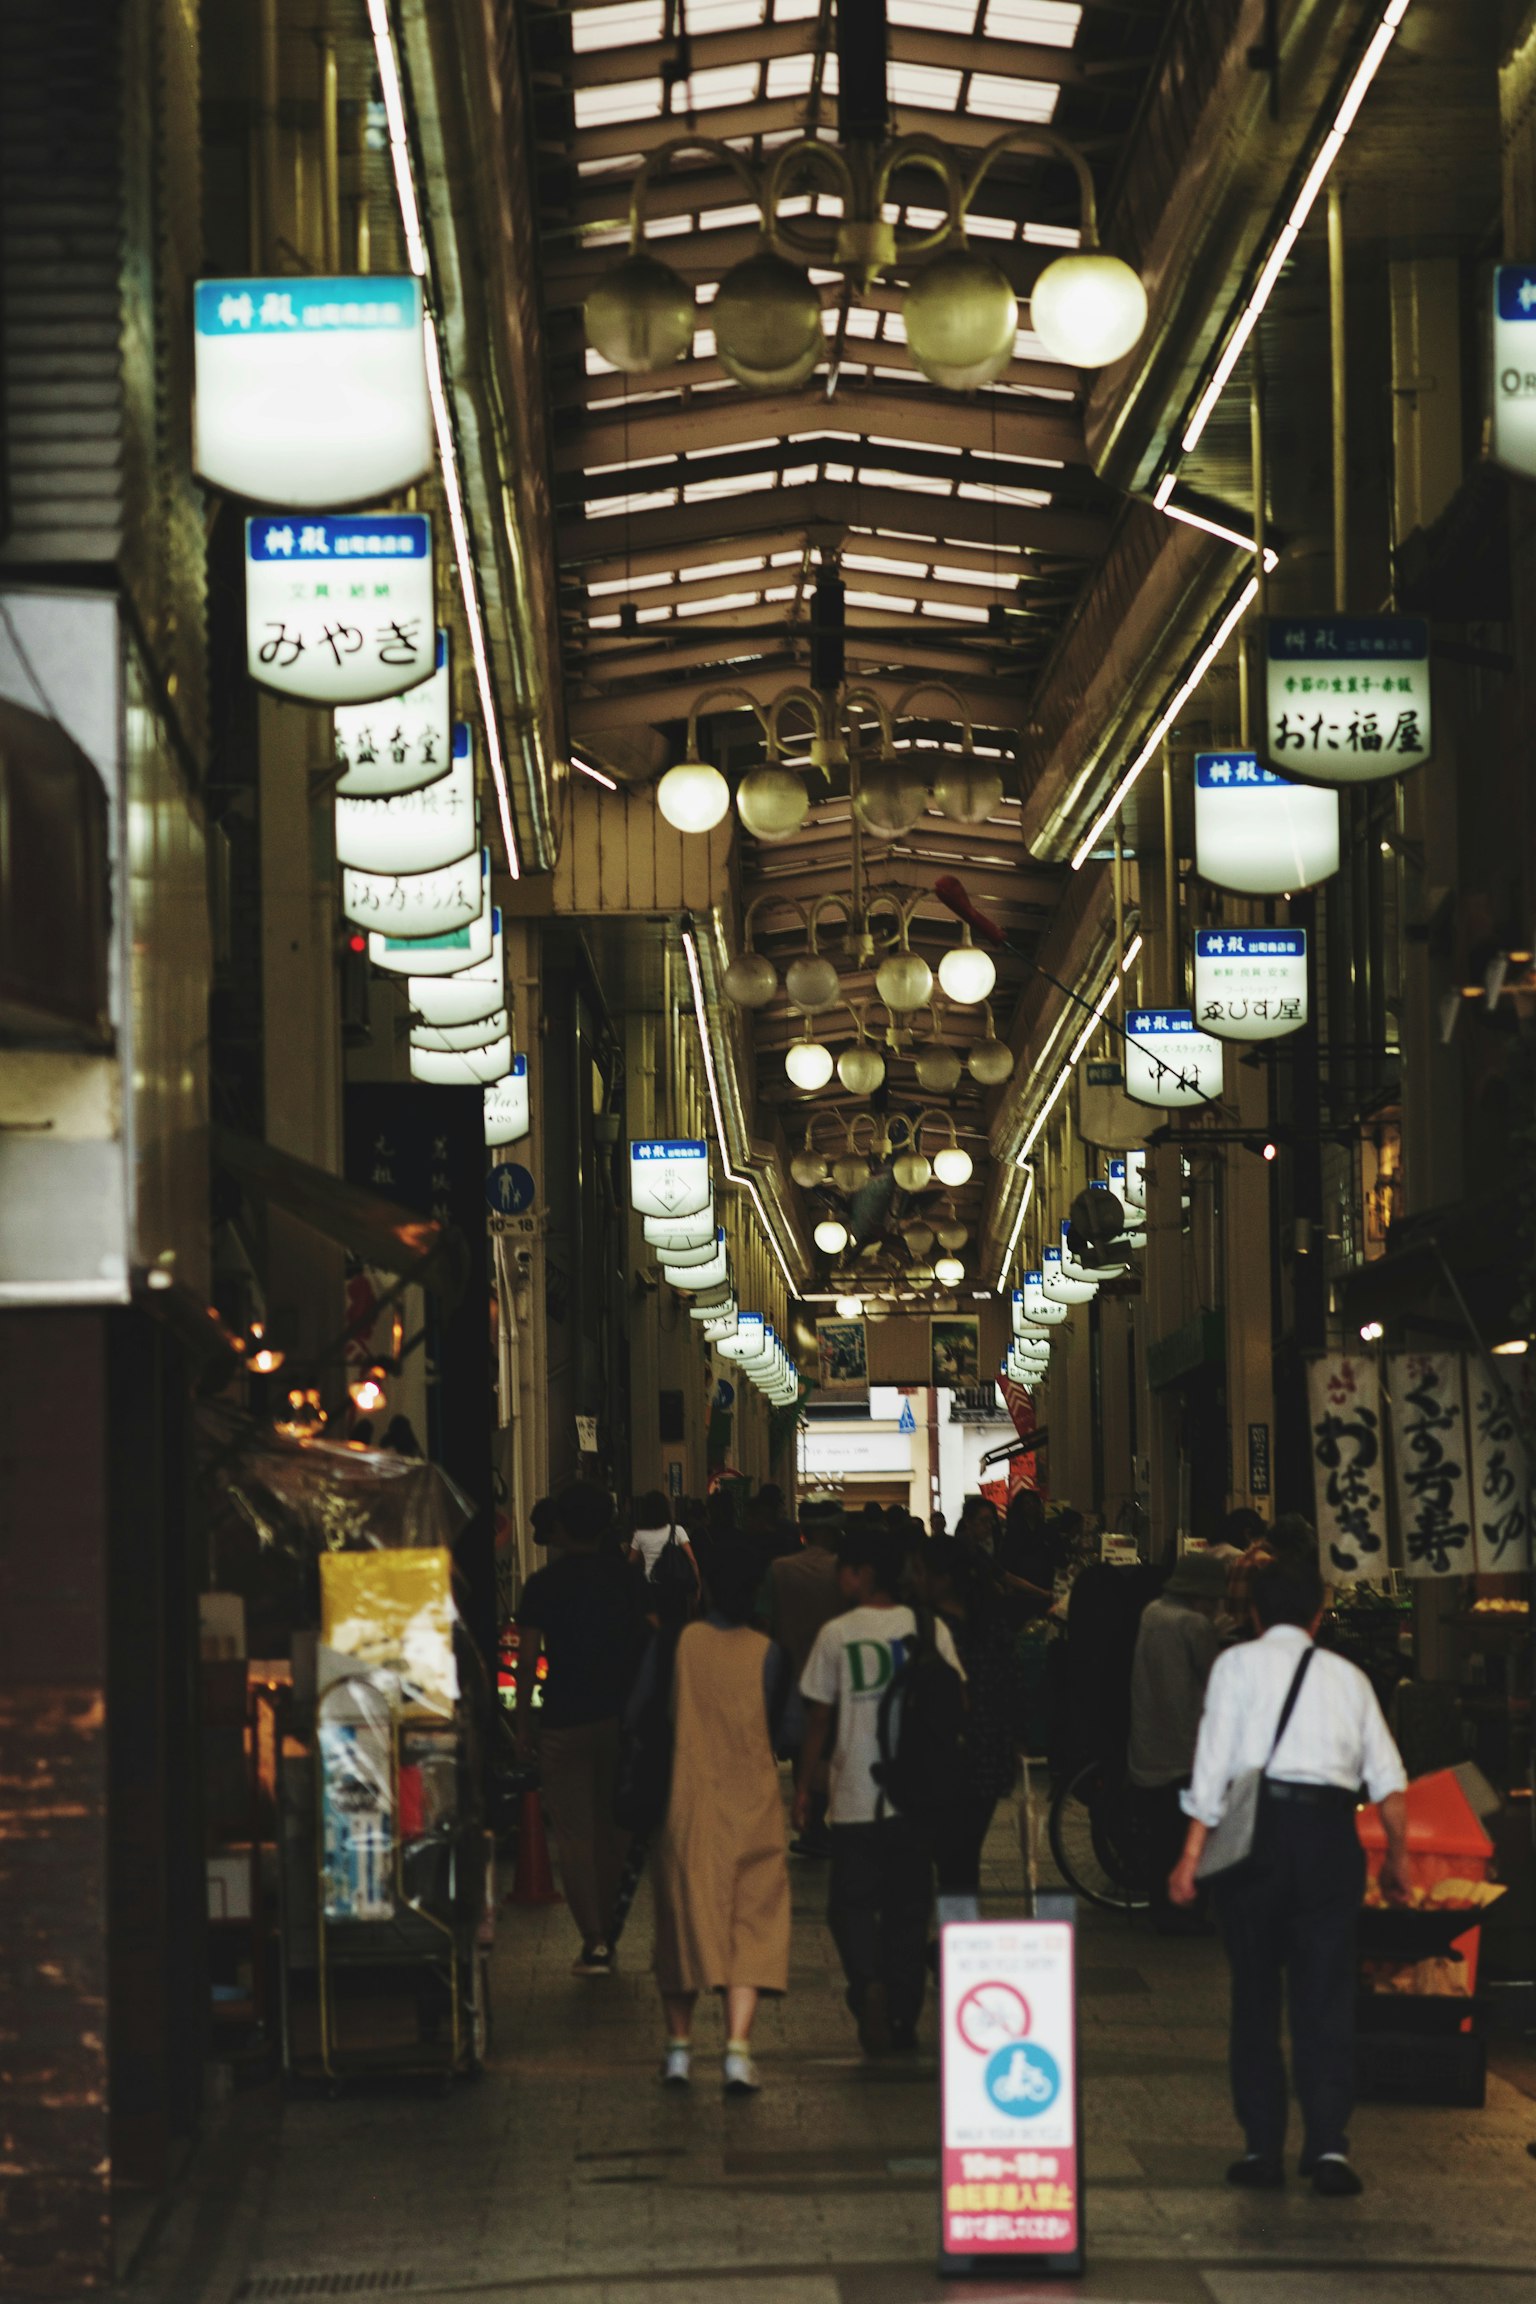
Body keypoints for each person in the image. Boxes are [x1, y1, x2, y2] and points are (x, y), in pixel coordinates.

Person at [1169, 1547, 1411, 2197]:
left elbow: (1213, 1769)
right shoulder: (1348, 1678)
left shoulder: (1235, 1667)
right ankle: (1329, 2146)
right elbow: (1388, 1780)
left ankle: (1261, 2148)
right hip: (1329, 1838)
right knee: (1326, 1995)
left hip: (1257, 1842)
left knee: (1253, 1994)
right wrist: (1397, 1857)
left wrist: (1191, 1856)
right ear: (1320, 1611)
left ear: (1252, 1611)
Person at [795, 1523, 963, 2054]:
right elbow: (959, 1702)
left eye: (844, 1568)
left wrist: (804, 1788)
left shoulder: (837, 1634)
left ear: (863, 1574)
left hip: (853, 1796)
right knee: (908, 1910)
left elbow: (818, 1720)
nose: (838, 1579)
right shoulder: (928, 1626)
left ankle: (867, 1982)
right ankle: (902, 2016)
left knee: (849, 1906)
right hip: (915, 1797)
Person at [650, 1546, 792, 2095]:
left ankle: (680, 2052)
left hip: (690, 1806)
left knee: (683, 1927)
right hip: (754, 1806)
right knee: (751, 1929)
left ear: (704, 1587)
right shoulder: (769, 1653)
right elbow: (789, 1729)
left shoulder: (680, 1644)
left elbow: (646, 1713)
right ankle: (737, 2052)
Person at [513, 1481, 644, 1977]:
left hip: (564, 1718)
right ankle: (609, 1926)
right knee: (614, 1830)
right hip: (620, 1718)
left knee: (573, 1835)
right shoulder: (627, 1579)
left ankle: (594, 1940)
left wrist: (523, 1722)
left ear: (562, 1527)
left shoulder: (543, 1585)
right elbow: (645, 1645)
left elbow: (527, 1661)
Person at [1128, 1549, 1227, 1932]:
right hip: (1187, 1745)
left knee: (1160, 1837)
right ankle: (1186, 1912)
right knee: (1188, 1836)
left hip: (1150, 1741)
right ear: (1201, 1594)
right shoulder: (1193, 1625)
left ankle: (1161, 1908)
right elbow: (1214, 1675)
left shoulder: (1152, 1612)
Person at [917, 1538, 1022, 1897]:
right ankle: (955, 1937)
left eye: (921, 1572)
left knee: (949, 1859)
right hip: (989, 1753)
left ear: (943, 1578)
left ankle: (954, 1939)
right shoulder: (992, 1623)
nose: (914, 1581)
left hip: (947, 1756)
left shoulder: (934, 1630)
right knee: (961, 1858)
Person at [768, 1498, 845, 1857]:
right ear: (834, 1531)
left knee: (802, 1749)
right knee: (828, 1748)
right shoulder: (844, 1572)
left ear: (804, 1531)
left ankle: (812, 1823)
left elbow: (765, 1623)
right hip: (836, 1674)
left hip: (792, 1672)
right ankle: (819, 1822)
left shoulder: (779, 1570)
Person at [994, 1485, 1061, 1625]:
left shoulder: (1047, 1530)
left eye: (1033, 1502)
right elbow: (1007, 1559)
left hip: (1045, 1581)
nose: (1030, 1506)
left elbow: (1055, 1555)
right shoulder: (1013, 1532)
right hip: (1021, 1584)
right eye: (1026, 1503)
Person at [628, 1488, 699, 1599]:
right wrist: (697, 1588)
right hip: (674, 1585)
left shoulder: (639, 1534)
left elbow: (631, 1562)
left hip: (649, 1586)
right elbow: (692, 1560)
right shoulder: (677, 1530)